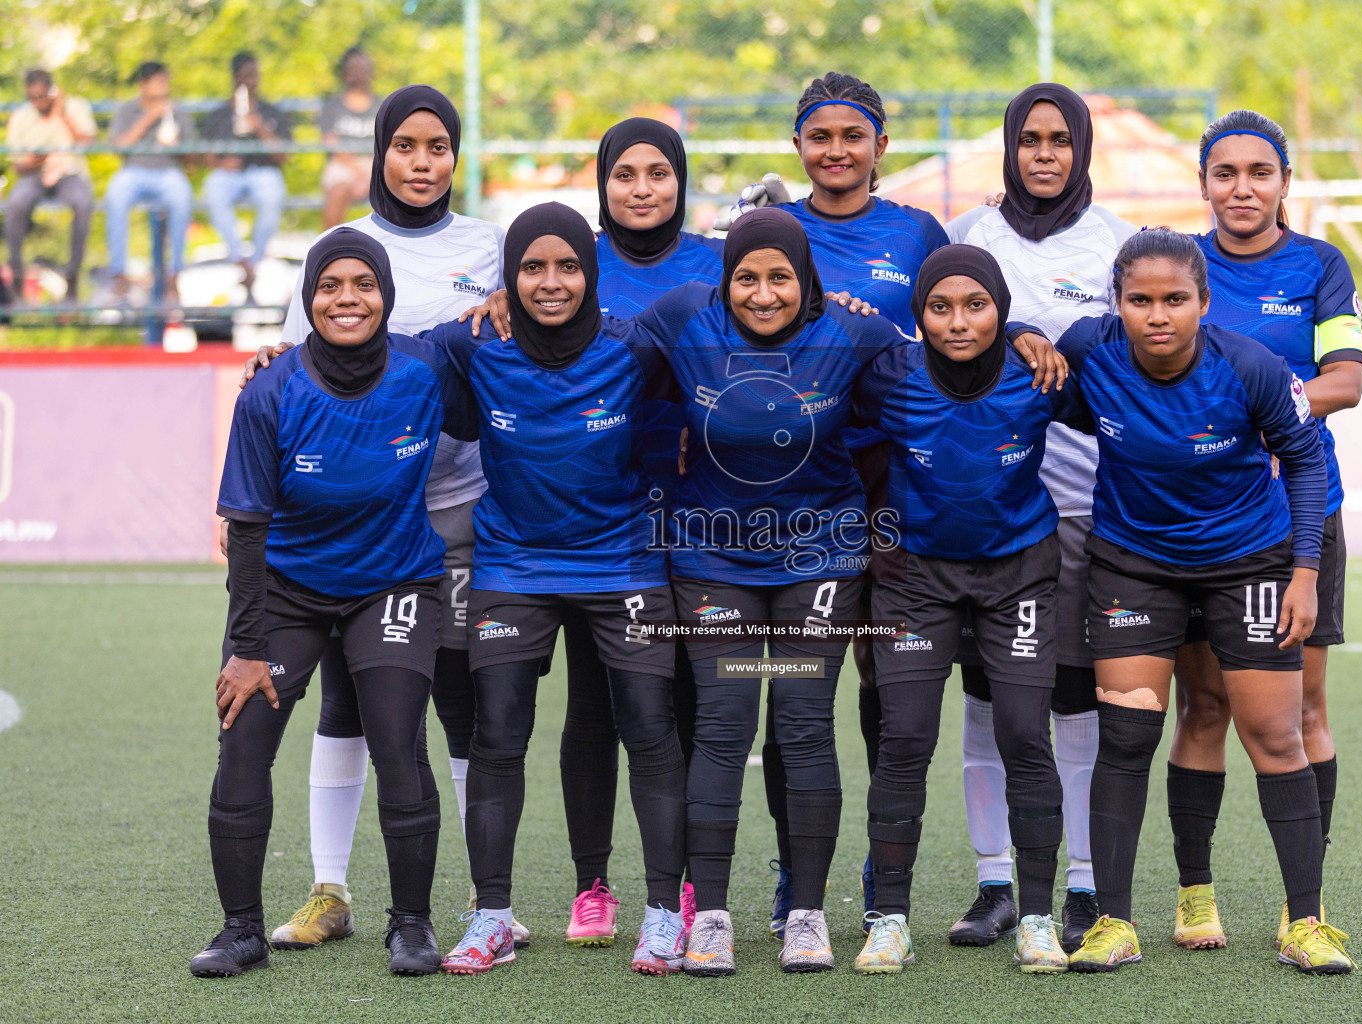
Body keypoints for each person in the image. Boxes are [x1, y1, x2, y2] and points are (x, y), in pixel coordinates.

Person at [626, 208, 1059, 976]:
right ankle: (712, 917)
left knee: (801, 726)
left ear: (809, 281)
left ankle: (805, 915)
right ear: (725, 282)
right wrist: (497, 308)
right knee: (724, 726)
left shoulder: (856, 337)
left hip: (818, 564)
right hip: (713, 561)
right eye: (747, 279)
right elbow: (591, 344)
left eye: (780, 278)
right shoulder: (683, 318)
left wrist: (1023, 329)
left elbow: (953, 338)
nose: (763, 294)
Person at [245, 85, 513, 953]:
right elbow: (292, 368)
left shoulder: (493, 246)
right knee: (348, 705)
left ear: (455, 156)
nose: (424, 162)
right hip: (351, 524)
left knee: (459, 700)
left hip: (459, 509)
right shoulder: (336, 249)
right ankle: (330, 891)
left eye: (440, 146)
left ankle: (485, 901)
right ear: (381, 151)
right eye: (407, 145)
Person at [1047, 228, 1352, 976]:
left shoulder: (1249, 366)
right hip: (1133, 564)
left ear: (1204, 302)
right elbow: (1041, 380)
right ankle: (1115, 923)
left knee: (1275, 737)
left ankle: (1305, 923)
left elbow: (1307, 458)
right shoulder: (1090, 349)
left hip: (1247, 561)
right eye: (1140, 299)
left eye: (1175, 299)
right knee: (1126, 739)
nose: (1158, 315)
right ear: (1116, 303)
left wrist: (1304, 574)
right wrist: (1024, 335)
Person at [193, 228, 473, 979]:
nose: (347, 299)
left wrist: (507, 294)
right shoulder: (271, 390)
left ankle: (410, 927)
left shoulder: (426, 366)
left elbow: (504, 348)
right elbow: (246, 534)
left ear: (385, 295)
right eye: (329, 286)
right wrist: (248, 650)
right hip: (287, 589)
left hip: (393, 584)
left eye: (363, 285)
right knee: (243, 740)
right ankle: (241, 929)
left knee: (396, 736)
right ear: (308, 298)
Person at [424, 202, 690, 977]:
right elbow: (378, 351)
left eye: (567, 266)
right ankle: (493, 916)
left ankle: (665, 917)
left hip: (625, 563)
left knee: (649, 729)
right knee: (497, 734)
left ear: (591, 270)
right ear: (508, 275)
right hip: (513, 564)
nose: (550, 282)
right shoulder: (475, 343)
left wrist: (831, 301)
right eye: (531, 267)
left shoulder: (636, 346)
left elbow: (731, 328)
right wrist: (283, 353)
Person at [1164, 109, 1362, 951]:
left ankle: (1302, 907)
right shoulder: (1175, 262)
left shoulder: (1320, 265)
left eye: (1259, 172)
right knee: (1203, 705)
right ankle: (1195, 896)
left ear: (1286, 182)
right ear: (1205, 182)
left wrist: (1247, 407)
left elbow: (1346, 382)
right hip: (1197, 523)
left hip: (1299, 518)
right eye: (1224, 173)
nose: (1241, 188)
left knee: (1304, 710)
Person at [942, 83, 1136, 951]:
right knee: (986, 697)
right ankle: (994, 884)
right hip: (991, 507)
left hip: (1094, 505)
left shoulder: (1119, 244)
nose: (1046, 154)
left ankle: (1086, 888)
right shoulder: (972, 238)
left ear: (1082, 148)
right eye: (1030, 139)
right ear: (1010, 146)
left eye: (1061, 139)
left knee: (1074, 698)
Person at [850, 245, 1073, 975]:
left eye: (976, 305)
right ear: (918, 315)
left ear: (1002, 311)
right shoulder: (889, 375)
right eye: (939, 307)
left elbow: (1130, 396)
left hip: (1020, 573)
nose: (957, 321)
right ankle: (889, 921)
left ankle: (1037, 918)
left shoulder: (1039, 372)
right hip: (916, 577)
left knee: (1022, 734)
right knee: (905, 739)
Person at [772, 70, 950, 934]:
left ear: (882, 144)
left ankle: (887, 880)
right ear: (798, 145)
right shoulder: (772, 232)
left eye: (853, 135)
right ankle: (792, 872)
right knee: (795, 689)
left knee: (890, 681)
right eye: (819, 136)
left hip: (897, 487)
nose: (836, 151)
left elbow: (962, 328)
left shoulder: (918, 232)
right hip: (790, 490)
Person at [548, 117, 721, 945]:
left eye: (659, 172)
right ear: (603, 182)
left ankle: (683, 884)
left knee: (679, 701)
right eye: (625, 174)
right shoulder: (568, 262)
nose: (643, 188)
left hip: (696, 509)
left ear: (680, 181)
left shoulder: (716, 266)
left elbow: (763, 352)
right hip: (597, 515)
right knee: (595, 702)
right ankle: (593, 887)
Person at [104, 61, 195, 303]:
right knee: (115, 195)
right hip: (134, 170)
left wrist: (180, 146)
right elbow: (118, 147)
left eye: (165, 80)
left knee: (182, 197)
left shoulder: (178, 112)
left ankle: (174, 276)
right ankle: (119, 274)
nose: (163, 86)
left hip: (169, 172)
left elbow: (193, 160)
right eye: (157, 81)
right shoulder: (127, 110)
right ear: (142, 85)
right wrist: (149, 118)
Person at [200, 53, 291, 291]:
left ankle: (254, 261)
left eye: (254, 74)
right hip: (228, 174)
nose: (251, 80)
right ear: (235, 77)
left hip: (263, 171)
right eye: (245, 75)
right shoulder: (219, 114)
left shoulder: (271, 111)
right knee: (213, 189)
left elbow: (283, 157)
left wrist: (259, 126)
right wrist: (222, 164)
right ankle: (239, 257)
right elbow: (205, 157)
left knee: (273, 195)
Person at [5, 69, 96, 304]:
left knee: (83, 203)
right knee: (15, 203)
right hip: (34, 175)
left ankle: (73, 280)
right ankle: (16, 278)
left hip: (69, 172)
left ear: (52, 91)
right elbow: (18, 166)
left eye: (42, 96)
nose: (38, 102)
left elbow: (87, 142)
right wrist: (38, 161)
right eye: (32, 97)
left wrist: (60, 113)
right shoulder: (21, 117)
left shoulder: (74, 107)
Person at [318, 48, 380, 229]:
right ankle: (330, 249)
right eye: (353, 68)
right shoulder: (332, 106)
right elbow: (331, 144)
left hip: (376, 163)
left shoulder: (382, 105)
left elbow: (389, 145)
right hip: (343, 163)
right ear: (344, 73)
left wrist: (373, 174)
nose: (359, 73)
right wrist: (359, 175)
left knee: (396, 194)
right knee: (338, 190)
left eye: (363, 68)